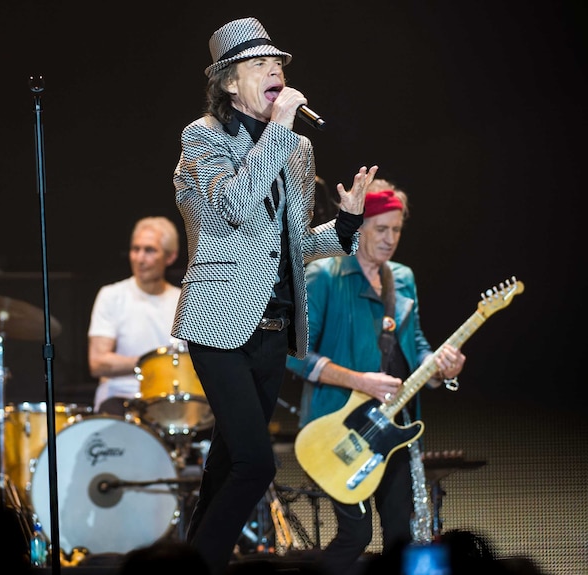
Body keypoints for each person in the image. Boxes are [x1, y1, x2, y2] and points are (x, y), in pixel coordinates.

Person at [171, 16, 378, 575]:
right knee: (256, 466)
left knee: (227, 464)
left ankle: (187, 561)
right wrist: (281, 132)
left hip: (273, 330)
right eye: (261, 64)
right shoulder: (202, 137)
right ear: (229, 83)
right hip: (218, 322)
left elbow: (293, 245)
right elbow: (235, 207)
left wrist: (346, 223)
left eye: (280, 63)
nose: (276, 71)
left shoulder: (297, 148)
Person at [288, 181, 466, 575]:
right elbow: (294, 354)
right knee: (356, 535)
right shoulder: (325, 274)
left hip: (392, 428)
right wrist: (359, 381)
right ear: (360, 226)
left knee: (401, 534)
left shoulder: (401, 277)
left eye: (397, 230)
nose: (390, 239)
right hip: (337, 429)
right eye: (380, 229)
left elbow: (414, 344)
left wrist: (439, 366)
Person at [87, 216, 182, 416]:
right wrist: (154, 363)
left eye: (149, 250)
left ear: (170, 256)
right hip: (121, 398)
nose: (139, 258)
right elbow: (97, 363)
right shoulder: (112, 295)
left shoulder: (183, 300)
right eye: (135, 249)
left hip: (171, 401)